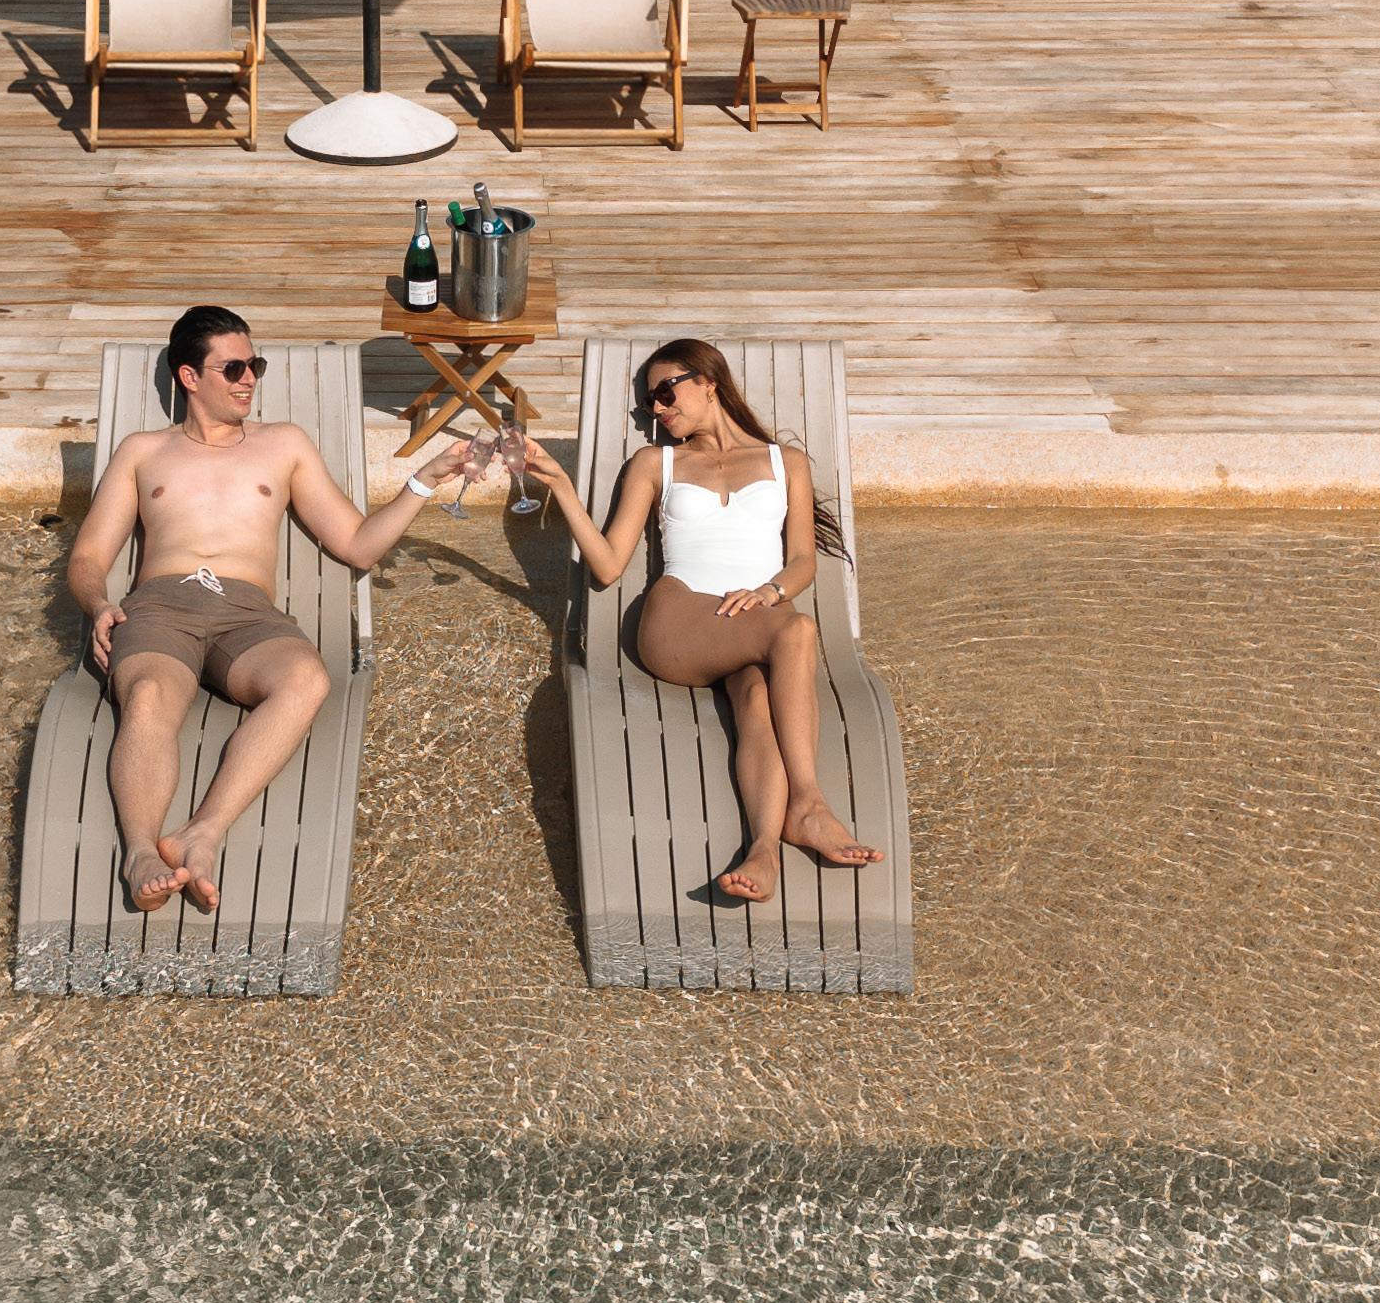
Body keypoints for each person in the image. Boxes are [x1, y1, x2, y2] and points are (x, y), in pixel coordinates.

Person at [65, 305, 468, 916]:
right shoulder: (144, 451)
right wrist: (97, 604)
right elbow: (89, 555)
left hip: (247, 614)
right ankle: (142, 851)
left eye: (255, 364)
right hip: (162, 606)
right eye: (233, 368)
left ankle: (201, 832)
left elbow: (358, 545)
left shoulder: (284, 445)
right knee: (147, 697)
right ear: (189, 377)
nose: (249, 378)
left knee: (307, 681)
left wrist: (425, 479)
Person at [514, 338, 881, 902]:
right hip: (681, 621)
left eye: (666, 392)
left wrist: (769, 591)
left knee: (756, 698)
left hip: (752, 623)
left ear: (709, 381)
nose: (657, 409)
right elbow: (608, 566)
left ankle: (763, 849)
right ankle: (809, 803)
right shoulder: (655, 463)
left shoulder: (786, 463)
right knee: (798, 629)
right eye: (649, 402)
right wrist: (561, 485)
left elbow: (803, 561)